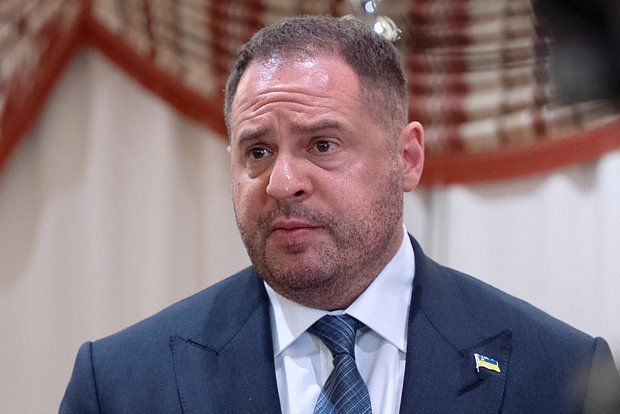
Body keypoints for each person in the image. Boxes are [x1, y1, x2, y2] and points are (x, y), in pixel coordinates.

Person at [61, 15, 620, 413]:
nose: (283, 182)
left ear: (407, 158)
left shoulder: (560, 376)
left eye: (322, 145)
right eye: (257, 151)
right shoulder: (119, 386)